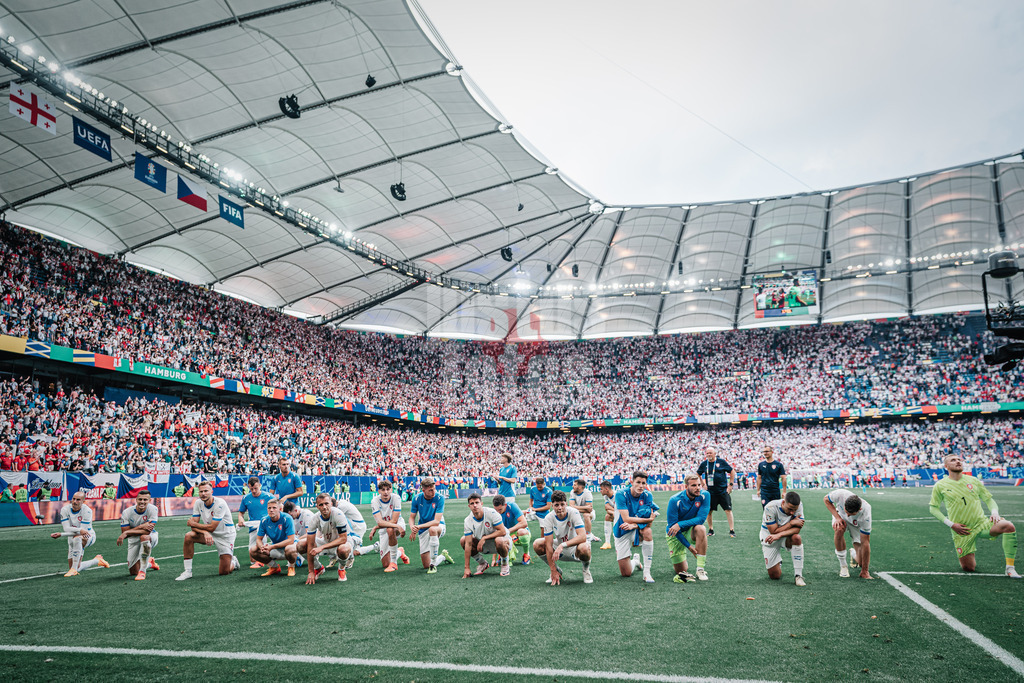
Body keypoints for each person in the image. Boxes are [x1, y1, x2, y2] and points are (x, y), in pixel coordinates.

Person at [929, 454, 1019, 578]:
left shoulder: (974, 481)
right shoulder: (940, 485)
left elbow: (989, 500)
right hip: (962, 530)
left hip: (982, 524)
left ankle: (1010, 568)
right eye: (953, 460)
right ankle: (968, 550)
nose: (958, 461)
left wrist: (994, 513)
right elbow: (933, 508)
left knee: (1008, 526)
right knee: (968, 568)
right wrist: (951, 524)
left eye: (959, 459)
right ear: (946, 466)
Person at [176, 480, 239, 580]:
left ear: (212, 491)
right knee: (189, 536)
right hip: (209, 533)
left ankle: (233, 561)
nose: (203, 494)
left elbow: (210, 527)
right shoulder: (198, 503)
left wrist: (197, 525)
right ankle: (188, 571)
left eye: (206, 491)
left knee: (224, 572)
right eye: (201, 491)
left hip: (226, 535)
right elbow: (194, 527)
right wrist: (205, 532)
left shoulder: (220, 503)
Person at [535, 490, 592, 585]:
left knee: (585, 547)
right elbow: (548, 545)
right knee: (537, 543)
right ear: (552, 506)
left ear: (566, 504)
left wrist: (562, 545)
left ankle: (586, 570)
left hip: (575, 549)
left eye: (562, 504)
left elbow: (582, 537)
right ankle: (557, 570)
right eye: (556, 505)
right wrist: (552, 569)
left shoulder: (574, 512)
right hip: (559, 550)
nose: (560, 508)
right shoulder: (548, 518)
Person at [51, 491, 109, 577]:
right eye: (73, 499)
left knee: (77, 538)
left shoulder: (87, 511)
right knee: (75, 565)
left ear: (83, 501)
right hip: (71, 537)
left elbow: (83, 532)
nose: (74, 501)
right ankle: (97, 560)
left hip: (88, 537)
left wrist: (61, 534)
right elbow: (66, 528)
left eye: (78, 500)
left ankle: (74, 570)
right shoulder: (65, 510)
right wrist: (68, 532)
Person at [613, 471, 657, 583]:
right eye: (638, 482)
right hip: (621, 530)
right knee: (626, 573)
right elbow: (626, 519)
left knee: (648, 531)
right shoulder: (621, 494)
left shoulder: (647, 495)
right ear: (632, 482)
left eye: (643, 483)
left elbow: (649, 525)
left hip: (636, 529)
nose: (641, 486)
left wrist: (634, 525)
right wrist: (648, 519)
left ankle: (647, 572)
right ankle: (636, 561)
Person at [666, 474, 710, 582]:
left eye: (699, 484)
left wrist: (680, 524)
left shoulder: (705, 495)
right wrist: (689, 546)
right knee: (681, 570)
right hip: (675, 535)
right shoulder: (674, 500)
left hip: (690, 530)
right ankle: (680, 556)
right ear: (686, 487)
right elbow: (673, 528)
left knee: (701, 528)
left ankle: (700, 569)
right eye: (694, 485)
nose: (698, 488)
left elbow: (700, 519)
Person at [824, 489, 873, 579]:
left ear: (859, 509)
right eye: (847, 512)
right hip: (840, 516)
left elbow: (865, 542)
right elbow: (826, 499)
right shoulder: (841, 494)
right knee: (839, 529)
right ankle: (843, 566)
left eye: (851, 514)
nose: (848, 515)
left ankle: (854, 554)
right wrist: (838, 518)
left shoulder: (866, 514)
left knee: (861, 563)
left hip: (857, 524)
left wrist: (865, 571)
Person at [760, 491, 806, 586]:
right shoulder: (770, 507)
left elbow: (797, 529)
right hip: (769, 538)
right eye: (790, 509)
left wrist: (780, 535)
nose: (792, 512)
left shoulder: (799, 505)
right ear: (783, 502)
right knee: (775, 576)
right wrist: (791, 523)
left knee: (796, 538)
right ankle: (778, 562)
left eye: (794, 510)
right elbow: (773, 531)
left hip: (784, 536)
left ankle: (798, 576)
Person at [305, 493, 352, 583]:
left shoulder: (338, 514)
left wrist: (322, 547)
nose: (324, 507)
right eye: (321, 505)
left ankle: (341, 569)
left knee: (343, 549)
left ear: (331, 503)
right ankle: (318, 568)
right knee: (301, 545)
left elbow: (343, 539)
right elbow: (310, 544)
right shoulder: (314, 518)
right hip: (325, 541)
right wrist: (310, 571)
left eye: (326, 503)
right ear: (317, 506)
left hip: (340, 544)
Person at [409, 477, 454, 574]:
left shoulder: (439, 498)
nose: (433, 492)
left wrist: (418, 527)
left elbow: (436, 521)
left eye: (434, 489)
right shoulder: (416, 499)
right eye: (430, 490)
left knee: (432, 529)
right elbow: (412, 517)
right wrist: (412, 527)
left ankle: (433, 565)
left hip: (438, 527)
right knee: (425, 565)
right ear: (423, 490)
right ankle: (442, 557)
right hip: (423, 529)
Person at [461, 493, 509, 577]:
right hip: (484, 546)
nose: (475, 505)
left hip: (501, 543)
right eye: (472, 503)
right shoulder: (468, 520)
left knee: (499, 540)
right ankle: (482, 563)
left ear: (481, 503)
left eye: (477, 502)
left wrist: (484, 538)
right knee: (463, 540)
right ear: (469, 506)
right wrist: (467, 568)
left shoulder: (492, 513)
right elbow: (468, 544)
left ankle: (504, 564)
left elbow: (502, 532)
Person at [116, 489, 160, 580]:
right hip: (133, 539)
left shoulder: (153, 509)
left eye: (145, 500)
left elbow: (146, 532)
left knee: (144, 537)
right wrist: (141, 527)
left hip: (151, 536)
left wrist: (128, 532)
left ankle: (142, 572)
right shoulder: (127, 512)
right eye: (140, 499)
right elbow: (125, 533)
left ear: (149, 500)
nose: (142, 502)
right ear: (136, 500)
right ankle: (150, 563)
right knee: (133, 572)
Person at [251, 498, 299, 577]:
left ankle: (291, 566)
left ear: (280, 509)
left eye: (274, 508)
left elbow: (291, 540)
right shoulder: (264, 520)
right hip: (276, 547)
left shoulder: (287, 518)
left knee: (289, 549)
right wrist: (262, 547)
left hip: (291, 547)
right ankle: (274, 567)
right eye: (269, 508)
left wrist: (272, 547)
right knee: (253, 550)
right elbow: (258, 539)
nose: (271, 510)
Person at [369, 480, 408, 572]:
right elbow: (380, 522)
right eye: (383, 490)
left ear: (391, 490)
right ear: (379, 491)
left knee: (390, 529)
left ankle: (394, 563)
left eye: (388, 489)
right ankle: (400, 552)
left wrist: (376, 527)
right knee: (385, 564)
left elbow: (394, 521)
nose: (385, 492)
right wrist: (377, 526)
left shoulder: (396, 498)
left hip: (398, 525)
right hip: (384, 528)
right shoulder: (375, 501)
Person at [696, 447, 735, 537]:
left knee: (728, 510)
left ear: (715, 454)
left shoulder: (721, 462)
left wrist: (730, 485)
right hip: (710, 492)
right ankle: (711, 529)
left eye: (710, 453)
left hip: (722, 491)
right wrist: (702, 483)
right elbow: (698, 473)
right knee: (709, 511)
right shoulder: (704, 464)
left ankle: (732, 530)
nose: (709, 454)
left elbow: (732, 471)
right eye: (707, 453)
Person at [238, 476, 273, 568]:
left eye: (256, 488)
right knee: (253, 558)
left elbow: (280, 506)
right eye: (251, 488)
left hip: (268, 525)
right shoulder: (246, 498)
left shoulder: (268, 496)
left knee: (264, 544)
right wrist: (241, 519)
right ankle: (268, 554)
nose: (253, 491)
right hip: (253, 526)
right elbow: (241, 513)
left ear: (260, 486)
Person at [492, 494, 528, 565]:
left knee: (522, 532)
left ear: (505, 505)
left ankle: (526, 554)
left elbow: (524, 523)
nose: (498, 512)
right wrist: (493, 559)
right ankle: (502, 554)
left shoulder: (512, 506)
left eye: (500, 509)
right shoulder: (494, 513)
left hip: (518, 533)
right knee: (501, 536)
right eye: (496, 510)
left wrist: (508, 531)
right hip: (507, 534)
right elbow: (496, 533)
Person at [599, 480, 615, 550]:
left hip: (627, 516)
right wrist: (615, 512)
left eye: (601, 489)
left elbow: (622, 510)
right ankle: (607, 543)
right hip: (616, 514)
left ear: (607, 489)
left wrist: (614, 512)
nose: (600, 491)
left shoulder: (617, 495)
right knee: (607, 516)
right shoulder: (606, 496)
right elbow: (606, 508)